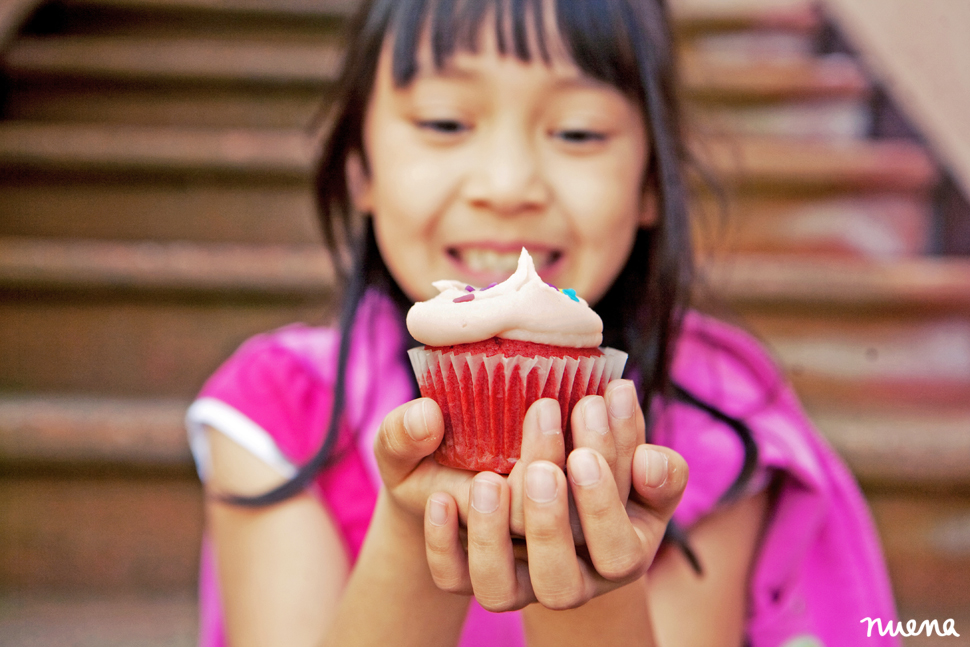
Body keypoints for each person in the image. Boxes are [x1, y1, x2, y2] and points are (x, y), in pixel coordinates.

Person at [184, 1, 900, 645]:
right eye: (444, 122)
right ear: (359, 169)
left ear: (652, 183)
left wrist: (590, 579)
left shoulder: (717, 428)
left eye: (578, 131)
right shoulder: (277, 413)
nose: (509, 185)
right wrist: (413, 532)